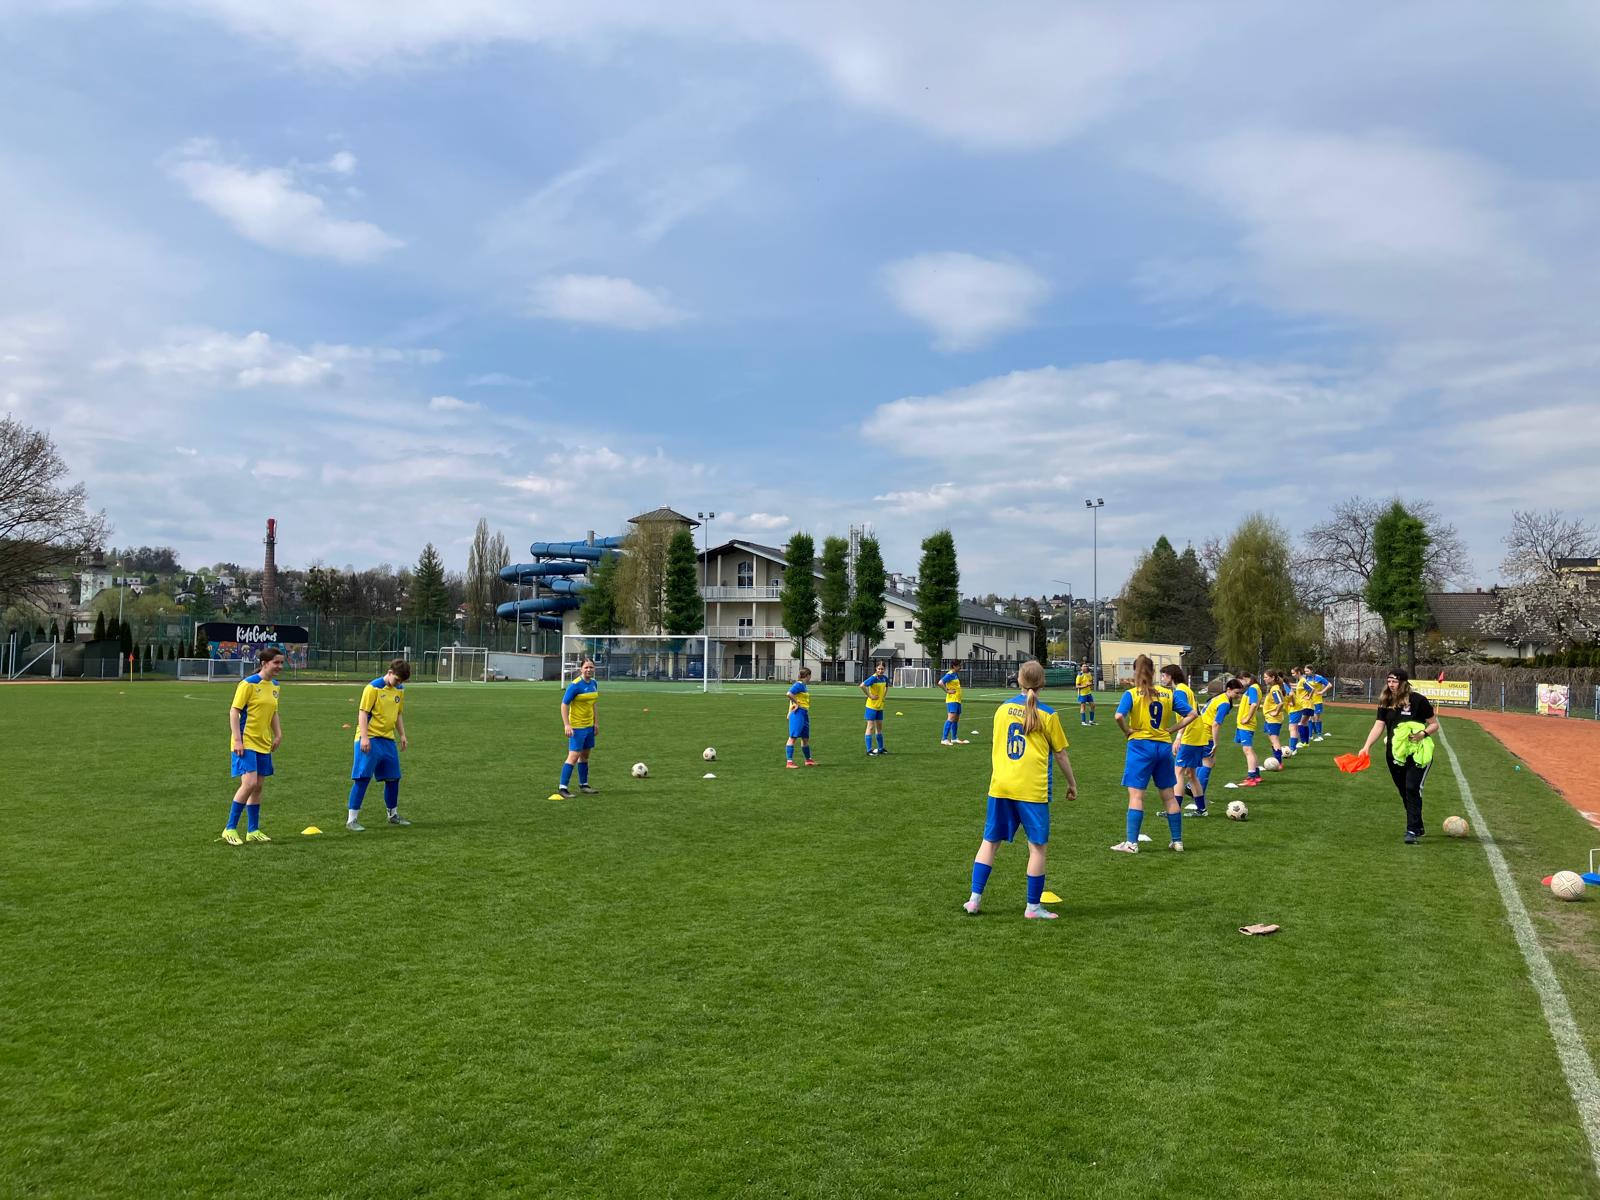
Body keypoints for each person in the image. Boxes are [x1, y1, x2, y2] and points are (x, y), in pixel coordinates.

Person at [962, 659, 1078, 919]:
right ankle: (1033, 907)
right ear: (1043, 683)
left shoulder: (1002, 709)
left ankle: (974, 899)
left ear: (1018, 680)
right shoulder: (1048, 714)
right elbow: (1060, 754)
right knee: (1037, 848)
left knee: (990, 842)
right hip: (1032, 790)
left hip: (1001, 786)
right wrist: (1072, 783)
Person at [1111, 654, 1196, 853]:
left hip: (1140, 747)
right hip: (1163, 747)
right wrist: (1172, 729)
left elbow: (1118, 716)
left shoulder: (1132, 694)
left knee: (1136, 795)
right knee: (1169, 796)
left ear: (1135, 671)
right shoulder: (1167, 694)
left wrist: (1127, 731)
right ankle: (1177, 841)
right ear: (1154, 671)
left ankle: (1131, 843)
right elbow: (1192, 714)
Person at [1355, 669, 1440, 844]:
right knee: (1404, 791)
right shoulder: (1386, 701)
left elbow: (1434, 725)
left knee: (1412, 788)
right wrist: (1366, 746)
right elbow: (1379, 725)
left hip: (1418, 753)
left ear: (1403, 683)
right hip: (1394, 754)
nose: (1391, 684)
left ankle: (1411, 831)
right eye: (1389, 681)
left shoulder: (1418, 700)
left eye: (1394, 681)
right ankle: (1418, 826)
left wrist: (1422, 734)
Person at [221, 647, 284, 845]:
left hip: (263, 743)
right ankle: (230, 828)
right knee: (249, 783)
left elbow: (273, 712)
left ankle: (253, 830)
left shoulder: (275, 686)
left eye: (282, 663)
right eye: (276, 662)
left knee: (258, 786)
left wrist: (278, 734)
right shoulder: (248, 684)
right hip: (246, 741)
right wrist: (237, 740)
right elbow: (234, 711)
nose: (280, 666)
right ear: (264, 663)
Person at [346, 658, 411, 831]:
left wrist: (402, 734)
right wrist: (364, 737)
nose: (398, 683)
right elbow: (363, 713)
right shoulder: (373, 688)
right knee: (362, 778)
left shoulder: (399, 690)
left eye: (401, 681)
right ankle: (352, 820)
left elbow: (398, 714)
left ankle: (393, 815)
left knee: (393, 778)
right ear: (390, 672)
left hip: (387, 739)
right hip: (370, 737)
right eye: (397, 679)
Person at [1179, 676, 1243, 816]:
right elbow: (1216, 724)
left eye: (1240, 693)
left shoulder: (1219, 697)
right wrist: (1215, 743)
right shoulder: (1224, 703)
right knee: (1207, 764)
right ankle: (1197, 798)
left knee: (1204, 764)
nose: (1239, 696)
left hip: (1198, 730)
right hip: (1206, 733)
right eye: (1237, 693)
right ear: (1229, 689)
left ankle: (1194, 791)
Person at [553, 659, 600, 799]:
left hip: (589, 726)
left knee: (585, 755)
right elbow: (564, 705)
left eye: (591, 667)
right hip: (577, 726)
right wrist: (567, 725)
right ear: (581, 669)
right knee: (574, 756)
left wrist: (596, 723)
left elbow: (593, 704)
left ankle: (584, 785)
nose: (589, 670)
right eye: (586, 667)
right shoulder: (575, 685)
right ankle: (563, 787)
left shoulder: (594, 683)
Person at [1159, 664, 1199, 804]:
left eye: (1163, 675)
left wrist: (1178, 737)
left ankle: (1174, 808)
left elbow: (1187, 715)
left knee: (1178, 772)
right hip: (1197, 733)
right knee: (1191, 774)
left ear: (1170, 676)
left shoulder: (1180, 691)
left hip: (1189, 734)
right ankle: (1202, 809)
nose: (1162, 679)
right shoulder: (1185, 688)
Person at [1234, 671, 1263, 787]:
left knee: (1247, 750)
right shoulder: (1255, 688)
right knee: (1249, 750)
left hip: (1246, 725)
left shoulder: (1252, 688)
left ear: (1244, 678)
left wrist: (1247, 718)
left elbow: (1254, 704)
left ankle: (1251, 778)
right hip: (1246, 725)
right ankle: (1256, 775)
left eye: (1239, 681)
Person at [785, 667, 816, 768]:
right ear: (807, 675)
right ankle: (789, 762)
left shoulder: (803, 686)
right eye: (810, 675)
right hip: (798, 713)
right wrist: (796, 704)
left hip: (804, 713)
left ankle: (808, 760)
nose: (810, 677)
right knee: (793, 737)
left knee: (805, 738)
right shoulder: (798, 685)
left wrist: (792, 706)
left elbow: (792, 698)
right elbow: (789, 694)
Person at [859, 660, 890, 755]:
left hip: (880, 707)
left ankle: (881, 748)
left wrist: (884, 696)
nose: (880, 670)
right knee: (870, 727)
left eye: (882, 669)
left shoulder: (885, 678)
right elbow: (862, 686)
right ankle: (869, 750)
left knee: (879, 727)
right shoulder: (873, 678)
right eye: (879, 669)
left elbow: (887, 687)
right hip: (871, 706)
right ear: (876, 669)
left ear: (885, 669)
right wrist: (870, 696)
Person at [1262, 669, 1290, 763]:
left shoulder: (1274, 689)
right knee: (1273, 740)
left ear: (1272, 678)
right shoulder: (1274, 688)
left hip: (1273, 719)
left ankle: (1278, 762)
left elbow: (1280, 703)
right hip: (1269, 718)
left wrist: (1276, 713)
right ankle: (1277, 761)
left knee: (1275, 740)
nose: (1264, 679)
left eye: (1266, 677)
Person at [938, 659, 969, 745]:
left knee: (956, 719)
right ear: (954, 666)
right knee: (951, 718)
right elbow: (940, 682)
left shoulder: (955, 674)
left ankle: (954, 738)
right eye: (959, 665)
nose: (960, 667)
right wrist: (947, 691)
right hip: (952, 700)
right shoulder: (950, 674)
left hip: (957, 699)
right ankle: (944, 739)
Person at [1306, 664, 1332, 740]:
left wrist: (1322, 692)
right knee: (1310, 717)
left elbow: (1329, 685)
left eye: (1307, 671)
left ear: (1312, 670)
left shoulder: (1318, 677)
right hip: (1309, 701)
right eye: (1305, 671)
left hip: (1317, 701)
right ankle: (1310, 735)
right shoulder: (1306, 678)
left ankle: (1319, 735)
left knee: (1316, 718)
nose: (1306, 672)